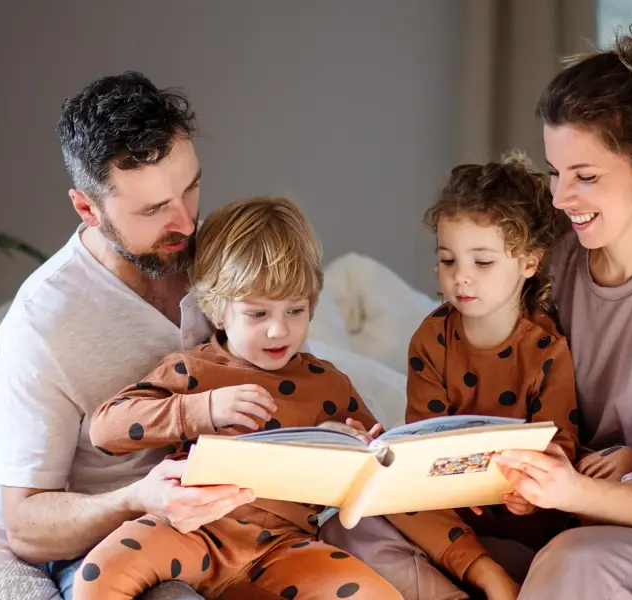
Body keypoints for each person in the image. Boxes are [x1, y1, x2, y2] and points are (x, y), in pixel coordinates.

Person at [322, 23, 632, 600]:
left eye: (585, 177)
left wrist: (568, 488)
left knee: (572, 562)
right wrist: (403, 454)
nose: (558, 199)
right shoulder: (551, 253)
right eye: (556, 172)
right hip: (549, 505)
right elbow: (477, 366)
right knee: (353, 525)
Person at [0, 71, 260, 600]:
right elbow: (24, 523)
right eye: (154, 210)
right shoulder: (41, 324)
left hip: (252, 524)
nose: (186, 224)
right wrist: (137, 498)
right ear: (87, 209)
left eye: (190, 189)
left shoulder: (222, 258)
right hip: (128, 547)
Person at [72, 196, 402, 600]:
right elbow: (105, 429)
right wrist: (200, 410)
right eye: (258, 314)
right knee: (99, 575)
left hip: (284, 549)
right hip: (191, 530)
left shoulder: (329, 384)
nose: (279, 331)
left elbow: (379, 464)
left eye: (295, 310)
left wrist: (349, 445)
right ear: (217, 307)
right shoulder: (194, 370)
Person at [384, 152, 632, 600]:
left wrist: (524, 488)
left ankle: (514, 573)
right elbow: (419, 439)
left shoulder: (545, 347)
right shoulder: (430, 339)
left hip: (528, 508)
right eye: (448, 261)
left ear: (527, 263)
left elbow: (557, 439)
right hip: (451, 513)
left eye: (481, 263)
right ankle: (483, 578)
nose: (460, 278)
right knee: (372, 511)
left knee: (599, 495)